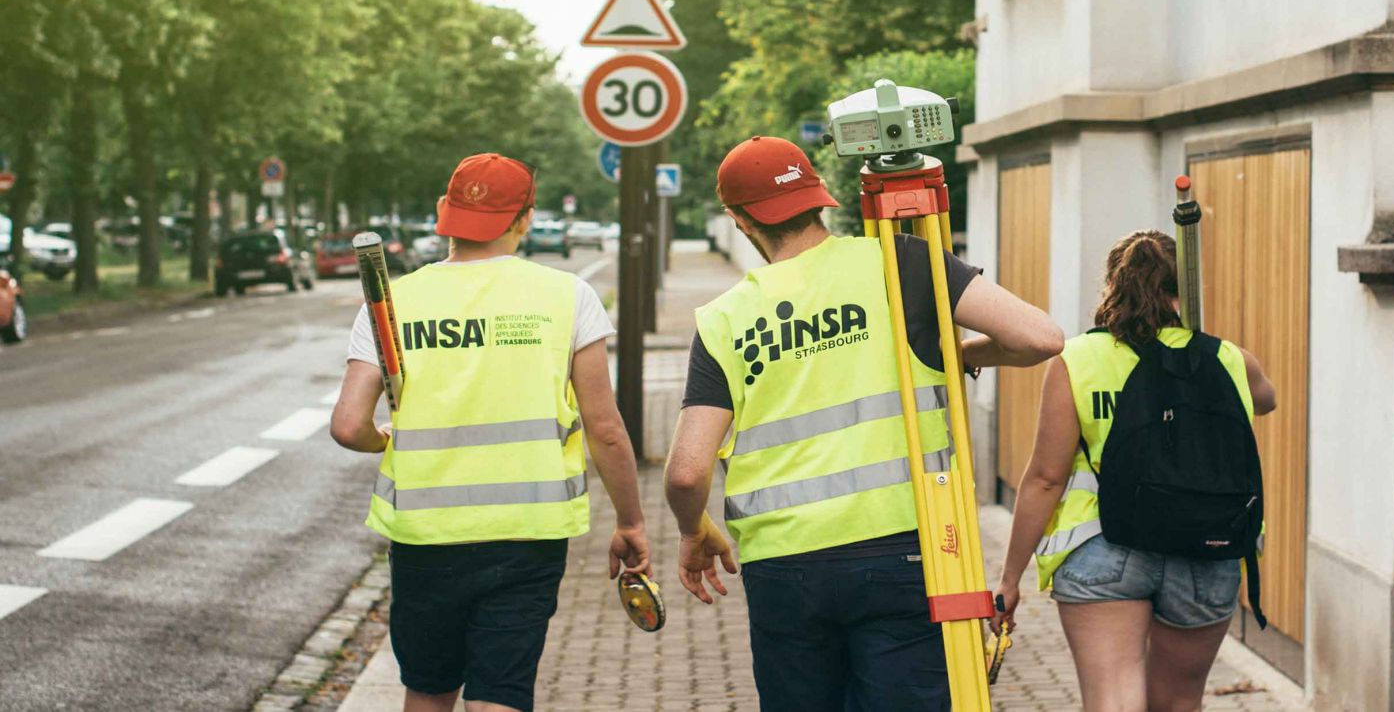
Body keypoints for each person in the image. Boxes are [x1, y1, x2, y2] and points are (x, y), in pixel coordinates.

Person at [663, 136, 1064, 712]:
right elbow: (1040, 338)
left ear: (738, 219)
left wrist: (692, 531)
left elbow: (685, 473)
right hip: (904, 546)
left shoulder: (723, 319)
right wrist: (958, 355)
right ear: (818, 198)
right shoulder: (899, 261)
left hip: (784, 565)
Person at [330, 153, 650, 712]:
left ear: (442, 211)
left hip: (425, 537)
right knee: (500, 691)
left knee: (427, 690)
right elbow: (606, 429)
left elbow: (348, 425)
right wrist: (630, 521)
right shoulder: (567, 296)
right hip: (527, 533)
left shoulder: (391, 302)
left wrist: (385, 439)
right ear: (524, 218)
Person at [990, 230, 1277, 712]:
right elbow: (1266, 400)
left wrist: (1009, 578)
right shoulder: (1226, 359)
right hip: (1206, 551)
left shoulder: (1077, 359)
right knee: (1180, 702)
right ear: (1182, 290)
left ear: (1111, 287)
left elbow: (1046, 477)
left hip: (1103, 549)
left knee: (1113, 702)